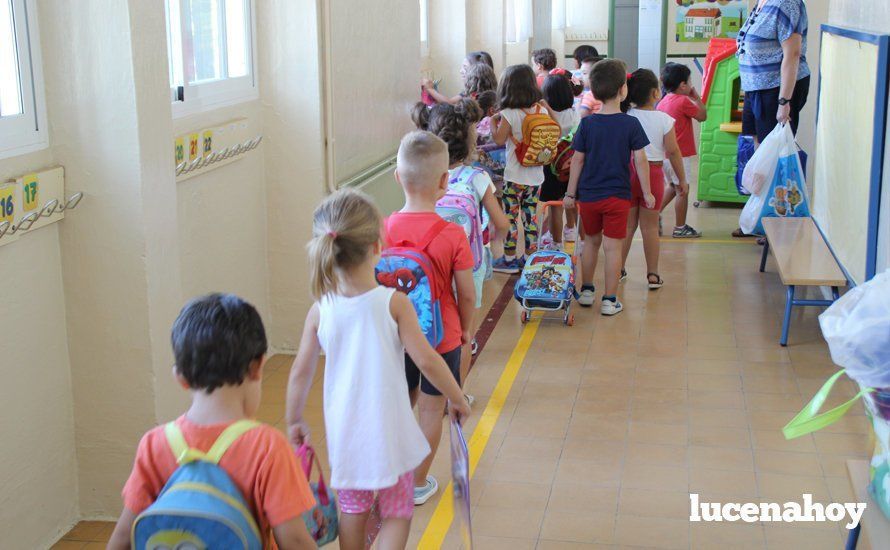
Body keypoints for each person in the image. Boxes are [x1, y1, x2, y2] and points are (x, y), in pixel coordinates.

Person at [286, 189, 470, 549]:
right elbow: (428, 360)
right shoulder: (395, 303)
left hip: (346, 436)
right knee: (396, 513)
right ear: (376, 247)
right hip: (391, 435)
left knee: (352, 510)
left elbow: (300, 373)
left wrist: (294, 420)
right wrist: (457, 397)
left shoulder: (321, 309)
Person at [107, 294, 317, 550]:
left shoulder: (154, 444)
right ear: (257, 367)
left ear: (180, 378)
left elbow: (121, 539)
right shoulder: (267, 447)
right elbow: (294, 540)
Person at [381, 131, 476, 505]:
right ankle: (417, 483)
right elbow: (466, 292)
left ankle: (390, 471)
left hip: (395, 336)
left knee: (400, 400)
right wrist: (466, 328)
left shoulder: (383, 228)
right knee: (432, 409)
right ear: (444, 180)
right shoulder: (452, 234)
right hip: (442, 337)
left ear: (397, 177)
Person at [411, 99, 508, 398]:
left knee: (430, 324)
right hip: (468, 268)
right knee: (464, 334)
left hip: (428, 266)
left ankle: (425, 389)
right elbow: (501, 222)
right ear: (469, 143)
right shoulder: (477, 178)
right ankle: (458, 394)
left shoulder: (425, 176)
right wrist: (497, 243)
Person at [563, 59, 653, 316]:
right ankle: (609, 300)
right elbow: (640, 159)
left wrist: (571, 193)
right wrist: (646, 191)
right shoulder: (630, 124)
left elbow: (577, 160)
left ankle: (587, 291)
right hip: (618, 197)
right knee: (613, 248)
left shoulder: (587, 124)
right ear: (623, 90)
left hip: (589, 196)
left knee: (590, 243)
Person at [733, 0, 810, 238]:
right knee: (759, 155)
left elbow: (793, 54)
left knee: (773, 159)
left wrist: (784, 101)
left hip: (776, 89)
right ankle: (757, 218)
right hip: (755, 88)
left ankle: (772, 223)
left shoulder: (786, 3)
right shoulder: (760, 3)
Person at [621, 68, 688, 289]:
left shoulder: (626, 117)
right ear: (655, 93)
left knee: (628, 226)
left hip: (628, 173)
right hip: (654, 174)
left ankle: (619, 269)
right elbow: (674, 152)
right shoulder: (664, 120)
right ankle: (652, 274)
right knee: (649, 228)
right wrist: (682, 180)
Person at [490, 64, 557, 273]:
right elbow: (556, 129)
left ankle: (509, 259)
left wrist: (493, 121)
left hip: (514, 176)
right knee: (531, 218)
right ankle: (529, 257)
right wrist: (547, 107)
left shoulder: (509, 113)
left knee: (511, 218)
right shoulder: (542, 110)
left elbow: (499, 139)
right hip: (536, 176)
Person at [657, 62, 706, 238]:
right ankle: (680, 227)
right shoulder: (684, 100)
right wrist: (696, 97)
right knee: (683, 191)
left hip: (664, 155)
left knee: (672, 186)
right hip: (679, 155)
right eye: (690, 81)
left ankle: (655, 214)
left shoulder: (663, 101)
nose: (691, 84)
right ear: (683, 85)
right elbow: (702, 116)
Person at [538, 72, 581, 250]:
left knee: (555, 207)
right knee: (571, 200)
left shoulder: (544, 113)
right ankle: (572, 230)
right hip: (572, 164)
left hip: (550, 165)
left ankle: (555, 243)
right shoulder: (574, 112)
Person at [422, 51, 496, 105]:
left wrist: (430, 89)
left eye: (465, 67)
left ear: (477, 71)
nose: (461, 71)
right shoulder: (469, 91)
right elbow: (450, 102)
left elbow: (449, 104)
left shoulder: (478, 95)